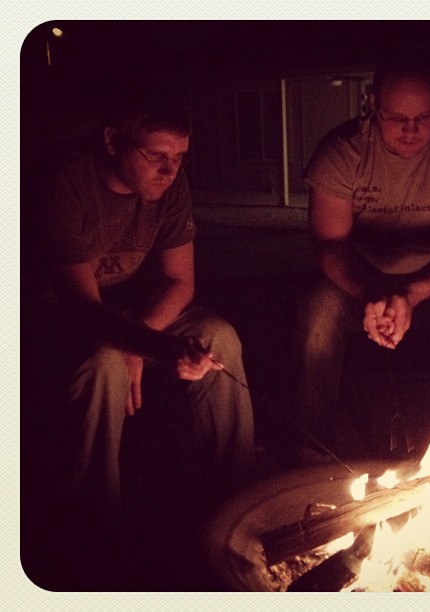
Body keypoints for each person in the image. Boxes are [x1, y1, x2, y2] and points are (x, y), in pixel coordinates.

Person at [21, 92, 255, 588]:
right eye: (156, 157)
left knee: (219, 337)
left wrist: (143, 340)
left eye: (179, 159)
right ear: (113, 141)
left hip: (133, 309)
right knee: (105, 363)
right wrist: (156, 348)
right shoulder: (65, 182)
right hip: (55, 314)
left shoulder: (170, 186)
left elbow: (181, 282)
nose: (170, 173)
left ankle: (233, 495)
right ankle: (96, 522)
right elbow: (83, 310)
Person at [292, 46, 430, 472]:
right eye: (397, 119)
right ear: (374, 103)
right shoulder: (342, 152)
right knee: (317, 311)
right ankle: (311, 449)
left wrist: (411, 294)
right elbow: (330, 246)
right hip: (358, 282)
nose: (411, 131)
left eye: (425, 117)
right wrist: (373, 292)